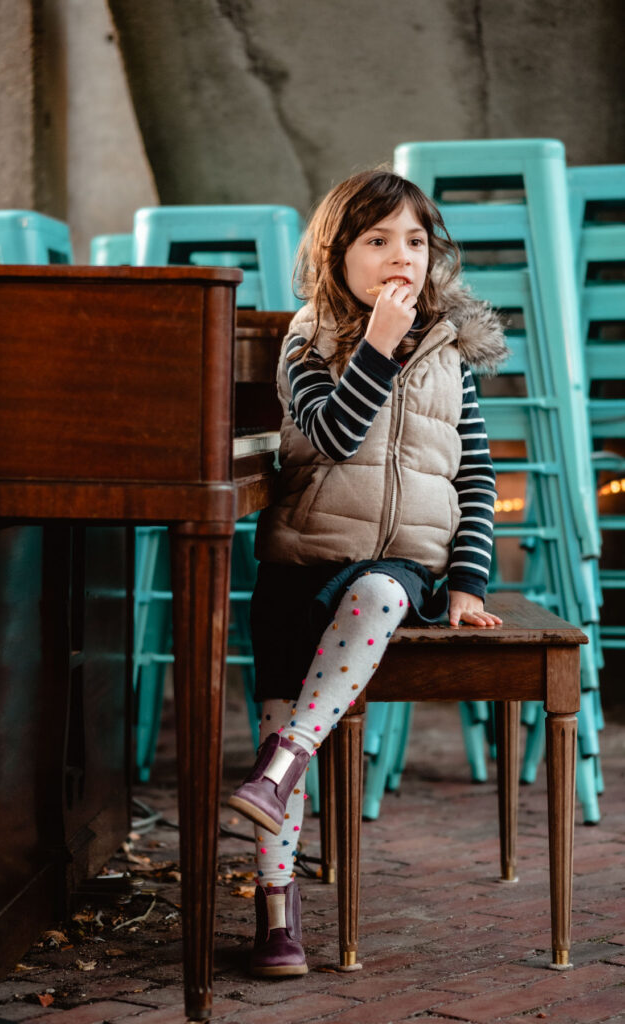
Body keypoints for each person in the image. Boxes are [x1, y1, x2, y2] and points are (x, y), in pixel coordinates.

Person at [228, 168, 508, 977]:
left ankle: (283, 765)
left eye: (414, 241)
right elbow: (333, 437)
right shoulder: (305, 339)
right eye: (376, 240)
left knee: (382, 589)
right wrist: (376, 347)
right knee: (276, 705)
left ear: (433, 256)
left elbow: (477, 476)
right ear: (335, 255)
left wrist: (465, 582)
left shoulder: (453, 355)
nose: (400, 257)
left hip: (400, 566)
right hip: (301, 557)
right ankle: (277, 917)